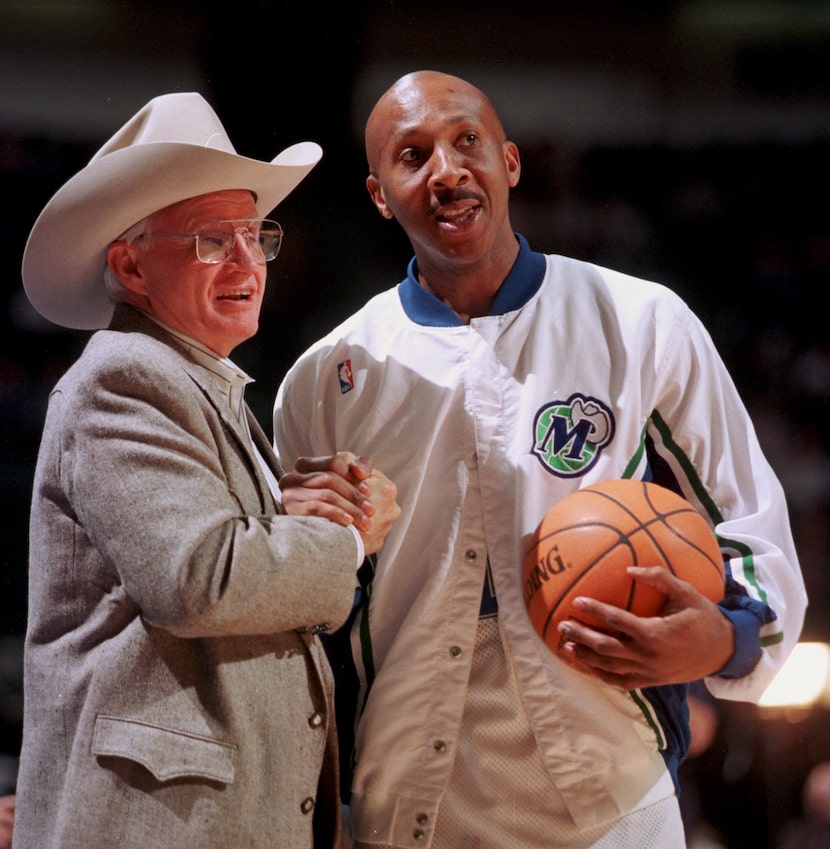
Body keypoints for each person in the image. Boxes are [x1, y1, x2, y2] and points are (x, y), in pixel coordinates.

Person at [272, 70, 808, 849]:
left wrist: (725, 640)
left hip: (614, 803)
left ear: (510, 162)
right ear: (380, 195)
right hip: (404, 807)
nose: (447, 170)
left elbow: (750, 526)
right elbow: (299, 616)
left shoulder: (641, 321)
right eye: (412, 155)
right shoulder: (326, 375)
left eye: (468, 142)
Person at [13, 92, 400, 849]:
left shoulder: (191, 380)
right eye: (211, 241)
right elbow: (199, 578)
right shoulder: (126, 374)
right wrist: (348, 540)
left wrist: (287, 519)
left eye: (256, 235)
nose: (248, 262)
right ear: (129, 262)